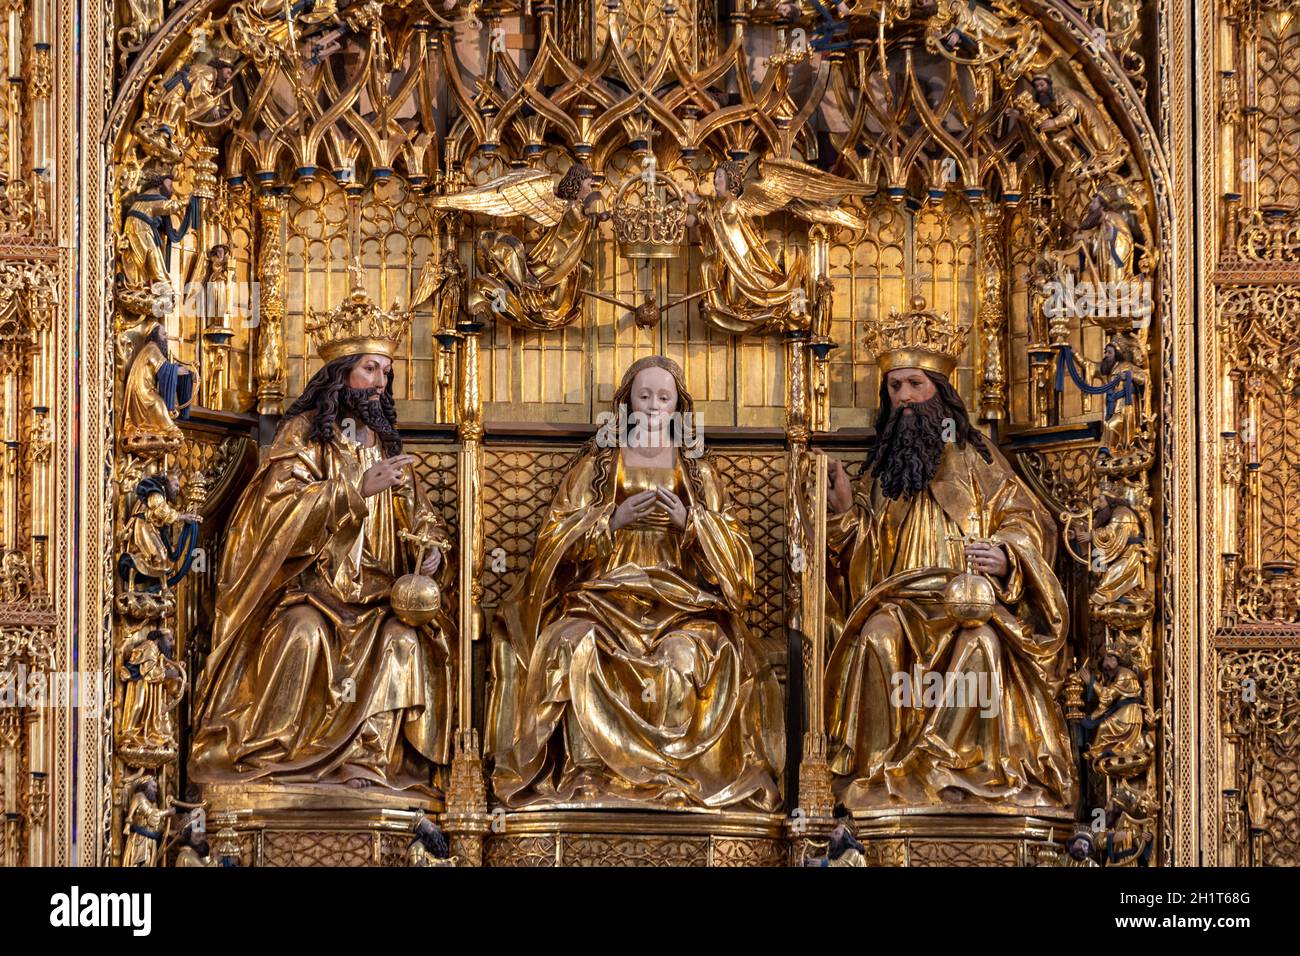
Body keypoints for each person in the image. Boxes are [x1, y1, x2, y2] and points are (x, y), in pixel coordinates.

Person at [487, 355, 785, 810]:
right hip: (604, 598)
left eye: (663, 397)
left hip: (679, 605)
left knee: (686, 655)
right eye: (642, 396)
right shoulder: (600, 464)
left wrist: (690, 522)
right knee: (573, 642)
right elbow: (554, 539)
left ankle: (666, 777)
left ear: (677, 409)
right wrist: (612, 519)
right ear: (625, 404)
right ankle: (586, 775)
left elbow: (738, 554)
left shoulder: (697, 471)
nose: (652, 406)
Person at [823, 297, 1076, 810]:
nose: (904, 398)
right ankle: (884, 775)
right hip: (900, 602)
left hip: (967, 604)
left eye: (915, 384)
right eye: (894, 387)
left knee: (982, 642)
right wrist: (846, 512)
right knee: (875, 638)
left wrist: (1007, 557)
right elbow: (862, 563)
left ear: (941, 390)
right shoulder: (881, 471)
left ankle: (950, 769)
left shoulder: (979, 457)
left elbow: (1029, 521)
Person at [190, 321, 457, 794]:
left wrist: (431, 550)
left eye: (386, 373)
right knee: (303, 634)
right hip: (310, 595)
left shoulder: (390, 448)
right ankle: (281, 755)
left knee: (405, 642)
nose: (379, 382)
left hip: (378, 603)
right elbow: (272, 518)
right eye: (370, 369)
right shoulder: (304, 436)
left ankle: (367, 764)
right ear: (341, 374)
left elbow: (423, 518)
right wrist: (354, 488)